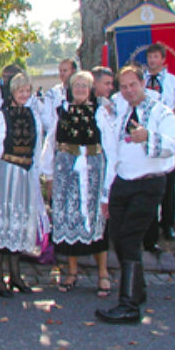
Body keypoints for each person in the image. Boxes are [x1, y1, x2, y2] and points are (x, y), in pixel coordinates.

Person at [95, 65, 175, 324]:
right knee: (119, 239)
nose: (129, 90)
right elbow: (112, 146)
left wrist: (148, 136)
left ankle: (129, 305)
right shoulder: (119, 109)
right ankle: (138, 289)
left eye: (133, 85)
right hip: (123, 181)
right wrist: (107, 194)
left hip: (148, 183)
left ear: (143, 84)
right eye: (123, 86)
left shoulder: (161, 112)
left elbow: (172, 145)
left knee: (130, 239)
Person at [41, 71, 116, 296]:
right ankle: (72, 271)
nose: (81, 89)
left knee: (95, 218)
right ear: (71, 88)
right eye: (77, 85)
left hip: (93, 169)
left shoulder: (101, 111)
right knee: (68, 217)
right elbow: (51, 143)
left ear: (91, 89)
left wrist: (108, 183)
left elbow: (110, 146)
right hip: (66, 170)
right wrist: (49, 176)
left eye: (85, 85)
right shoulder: (61, 111)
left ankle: (103, 272)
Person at [0, 73, 46, 297]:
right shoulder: (2, 116)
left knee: (18, 225)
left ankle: (15, 275)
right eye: (20, 91)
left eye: (27, 91)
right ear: (12, 92)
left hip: (25, 174)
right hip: (7, 173)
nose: (24, 95)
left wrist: (36, 177)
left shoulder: (32, 115)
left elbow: (36, 149)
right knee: (2, 223)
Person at [143, 43, 175, 244]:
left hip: (166, 141)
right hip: (144, 140)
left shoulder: (174, 83)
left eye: (156, 57)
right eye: (150, 57)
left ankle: (168, 224)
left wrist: (169, 131)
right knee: (148, 182)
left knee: (168, 185)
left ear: (163, 60)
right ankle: (149, 226)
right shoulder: (140, 81)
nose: (152, 61)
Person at [39, 58, 78, 131]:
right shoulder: (52, 93)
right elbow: (46, 117)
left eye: (65, 71)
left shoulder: (81, 92)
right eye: (60, 71)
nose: (62, 74)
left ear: (73, 71)